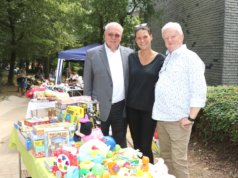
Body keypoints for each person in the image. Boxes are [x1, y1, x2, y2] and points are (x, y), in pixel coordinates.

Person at [152, 22, 207, 178]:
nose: (170, 40)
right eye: (166, 38)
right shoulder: (169, 57)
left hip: (179, 120)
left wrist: (191, 117)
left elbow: (199, 89)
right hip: (162, 117)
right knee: (164, 159)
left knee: (178, 161)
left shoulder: (190, 58)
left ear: (181, 37)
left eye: (173, 36)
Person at [83, 22, 133, 148]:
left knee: (120, 144)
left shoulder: (130, 54)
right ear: (105, 35)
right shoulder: (92, 54)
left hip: (121, 107)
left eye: (117, 35)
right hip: (99, 107)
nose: (113, 38)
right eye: (110, 34)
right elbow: (87, 83)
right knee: (97, 144)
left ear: (121, 37)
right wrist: (88, 108)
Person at [126, 23, 164, 163]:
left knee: (146, 146)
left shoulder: (161, 60)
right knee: (137, 146)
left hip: (149, 110)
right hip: (132, 108)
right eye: (138, 38)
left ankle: (150, 172)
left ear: (151, 37)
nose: (142, 40)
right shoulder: (131, 58)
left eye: (145, 37)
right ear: (136, 40)